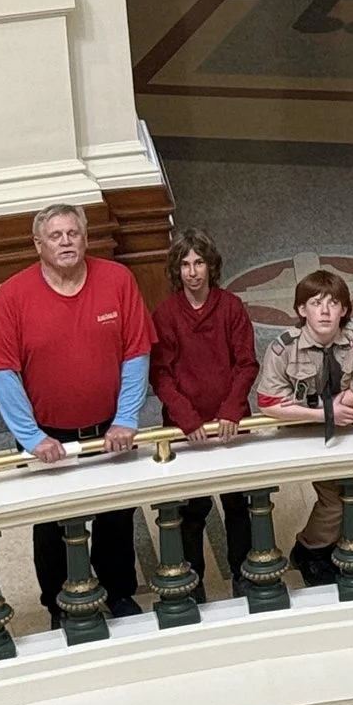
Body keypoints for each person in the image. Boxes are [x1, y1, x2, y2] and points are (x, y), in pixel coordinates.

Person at [0, 203, 153, 625]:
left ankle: (119, 592)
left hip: (112, 431)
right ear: (38, 245)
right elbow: (3, 372)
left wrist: (127, 418)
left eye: (73, 233)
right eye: (55, 236)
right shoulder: (12, 296)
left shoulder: (118, 280)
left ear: (86, 238)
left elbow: (136, 353)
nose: (65, 242)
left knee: (116, 515)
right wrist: (31, 437)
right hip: (46, 436)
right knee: (51, 526)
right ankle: (58, 603)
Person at [252, 269, 353, 588]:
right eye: (315, 302)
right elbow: (268, 402)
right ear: (300, 310)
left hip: (345, 429)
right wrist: (326, 413)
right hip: (300, 432)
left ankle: (322, 548)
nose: (324, 311)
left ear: (345, 310)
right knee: (337, 497)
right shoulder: (283, 348)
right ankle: (312, 550)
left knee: (342, 493)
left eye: (333, 303)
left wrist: (338, 412)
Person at [149, 228, 259, 598]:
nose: (193, 271)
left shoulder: (231, 307)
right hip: (186, 430)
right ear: (176, 271)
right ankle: (192, 581)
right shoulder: (164, 314)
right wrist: (187, 418)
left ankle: (244, 574)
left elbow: (246, 364)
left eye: (199, 263)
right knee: (191, 512)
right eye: (185, 264)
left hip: (231, 425)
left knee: (237, 504)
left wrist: (231, 411)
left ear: (211, 267)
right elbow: (160, 374)